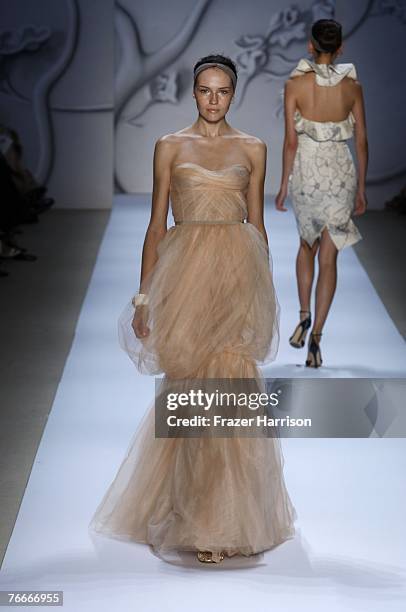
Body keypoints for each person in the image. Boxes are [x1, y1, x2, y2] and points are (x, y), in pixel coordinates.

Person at [89, 54, 296, 564]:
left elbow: (257, 225)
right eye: (205, 90)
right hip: (184, 279)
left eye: (222, 90)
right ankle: (189, 508)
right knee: (189, 392)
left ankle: (218, 520)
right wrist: (143, 297)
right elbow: (156, 225)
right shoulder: (168, 147)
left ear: (234, 93)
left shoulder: (253, 148)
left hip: (235, 274)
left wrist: (264, 290)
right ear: (194, 93)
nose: (212, 99)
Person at [275, 19, 368, 367]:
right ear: (340, 48)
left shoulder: (294, 84)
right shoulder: (353, 87)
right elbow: (361, 141)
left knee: (306, 245)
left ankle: (303, 315)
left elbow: (290, 141)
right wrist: (361, 187)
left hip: (307, 170)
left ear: (310, 46)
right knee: (330, 256)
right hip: (340, 171)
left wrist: (284, 183)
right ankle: (317, 338)